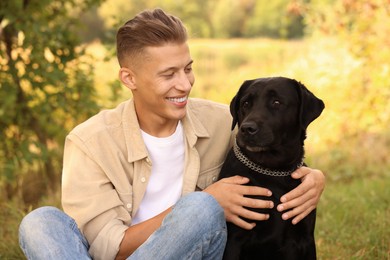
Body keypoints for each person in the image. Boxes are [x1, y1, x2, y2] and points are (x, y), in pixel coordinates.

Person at [19, 8, 325, 260]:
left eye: (187, 69)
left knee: (200, 208)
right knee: (39, 222)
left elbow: (272, 146)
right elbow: (106, 248)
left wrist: (313, 176)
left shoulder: (221, 121)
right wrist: (210, 200)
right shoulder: (89, 142)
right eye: (169, 74)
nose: (184, 84)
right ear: (129, 78)